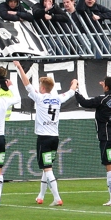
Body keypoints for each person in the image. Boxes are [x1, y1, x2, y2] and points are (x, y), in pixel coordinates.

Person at [13, 60, 77, 207]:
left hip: (44, 138)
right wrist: (74, 82)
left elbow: (26, 83)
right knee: (46, 167)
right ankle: (41, 196)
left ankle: (57, 197)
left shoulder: (40, 98)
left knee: (47, 168)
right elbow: (72, 91)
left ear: (42, 88)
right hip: (55, 137)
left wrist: (19, 67)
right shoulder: (58, 98)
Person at [74, 76, 111, 206]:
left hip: (108, 137)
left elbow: (84, 103)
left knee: (110, 167)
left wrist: (76, 91)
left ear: (106, 87)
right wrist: (107, 86)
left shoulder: (102, 100)